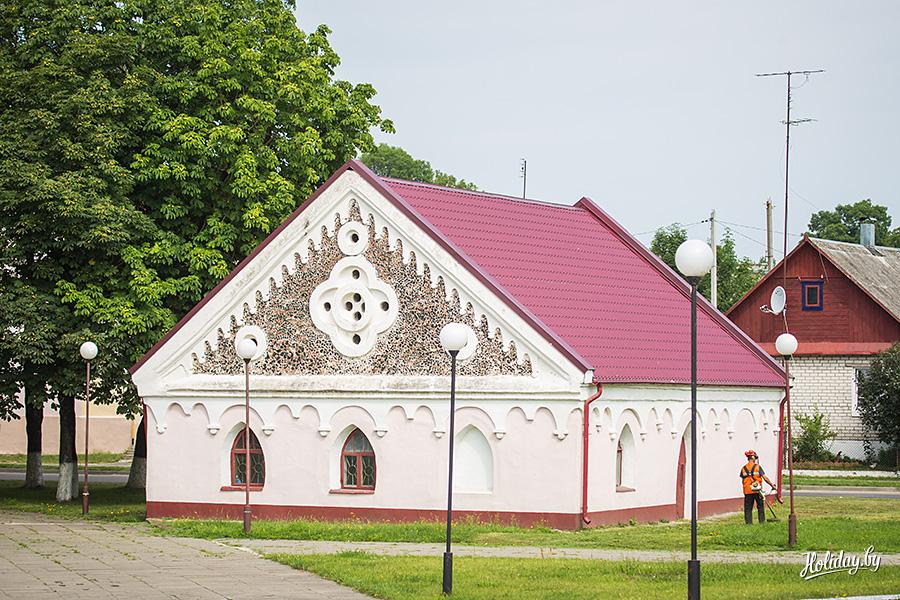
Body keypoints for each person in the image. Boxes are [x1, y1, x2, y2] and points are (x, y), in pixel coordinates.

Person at [740, 449, 775, 524]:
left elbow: (743, 480)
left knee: (748, 509)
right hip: (757, 491)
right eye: (755, 458)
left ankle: (749, 523)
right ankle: (762, 522)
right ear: (753, 457)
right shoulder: (758, 467)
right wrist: (772, 485)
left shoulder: (743, 468)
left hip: (747, 491)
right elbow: (765, 478)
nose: (756, 459)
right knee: (760, 507)